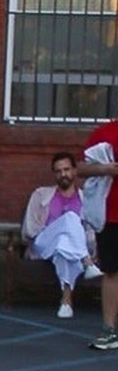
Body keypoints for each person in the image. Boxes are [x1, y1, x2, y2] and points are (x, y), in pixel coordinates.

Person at [21, 152, 98, 319]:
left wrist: (66, 238)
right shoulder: (41, 195)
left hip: (66, 248)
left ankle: (66, 302)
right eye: (58, 171)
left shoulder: (85, 199)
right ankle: (87, 261)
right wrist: (57, 231)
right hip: (43, 243)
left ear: (75, 171)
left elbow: (91, 232)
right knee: (70, 218)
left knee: (63, 247)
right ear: (54, 174)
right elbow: (29, 229)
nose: (63, 174)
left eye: (67, 169)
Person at [79, 118, 118, 350]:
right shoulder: (105, 132)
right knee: (112, 272)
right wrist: (105, 169)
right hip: (111, 215)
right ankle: (109, 330)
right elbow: (81, 168)